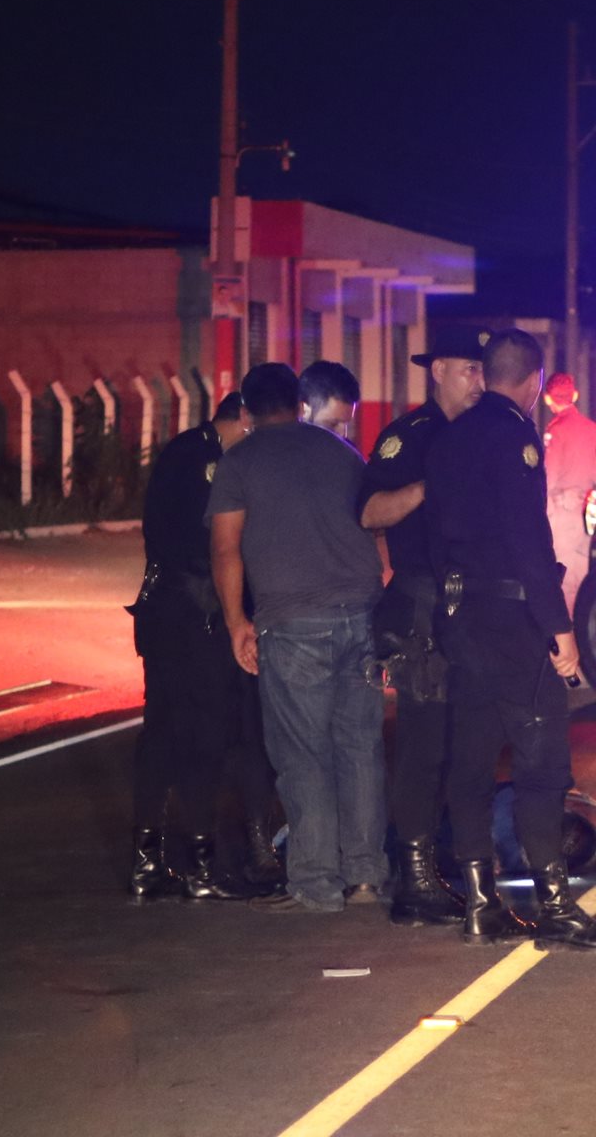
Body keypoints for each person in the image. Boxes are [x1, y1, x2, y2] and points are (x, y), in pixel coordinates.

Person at [424, 327, 596, 948]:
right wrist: (561, 632)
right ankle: (554, 906)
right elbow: (528, 542)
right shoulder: (515, 437)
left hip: (459, 617)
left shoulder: (448, 438)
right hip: (512, 624)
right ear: (531, 382)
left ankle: (479, 903)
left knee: (469, 762)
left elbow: (434, 536)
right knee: (542, 766)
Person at [208, 363, 387, 913]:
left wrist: (238, 621)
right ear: (298, 403)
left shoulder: (239, 462)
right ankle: (366, 878)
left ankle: (315, 885)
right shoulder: (340, 452)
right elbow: (372, 524)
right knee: (359, 748)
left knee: (303, 754)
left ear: (247, 412)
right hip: (360, 615)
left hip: (293, 623)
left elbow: (225, 548)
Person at [357, 324, 488, 926]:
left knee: (468, 743)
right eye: (469, 369)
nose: (479, 382)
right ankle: (413, 879)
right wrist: (427, 487)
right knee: (422, 743)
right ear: (437, 370)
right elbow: (368, 511)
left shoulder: (486, 431)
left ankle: (444, 862)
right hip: (421, 608)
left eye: (485, 371)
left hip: (474, 608)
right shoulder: (409, 436)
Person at [127, 392, 281, 901]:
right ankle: (198, 866)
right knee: (202, 737)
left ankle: (147, 863)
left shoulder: (182, 450)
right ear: (243, 416)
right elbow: (217, 545)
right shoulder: (210, 460)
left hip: (164, 613)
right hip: (197, 615)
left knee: (163, 734)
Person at [542, 371, 596, 617]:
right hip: (587, 513)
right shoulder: (591, 429)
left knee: (562, 583)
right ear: (574, 395)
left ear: (547, 399)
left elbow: (549, 476)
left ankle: (565, 646)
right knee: (584, 580)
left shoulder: (556, 430)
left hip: (561, 515)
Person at [298, 359, 361, 441]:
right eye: (332, 425)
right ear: (303, 410)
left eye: (346, 424)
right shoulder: (280, 449)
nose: (343, 435)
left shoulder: (347, 452)